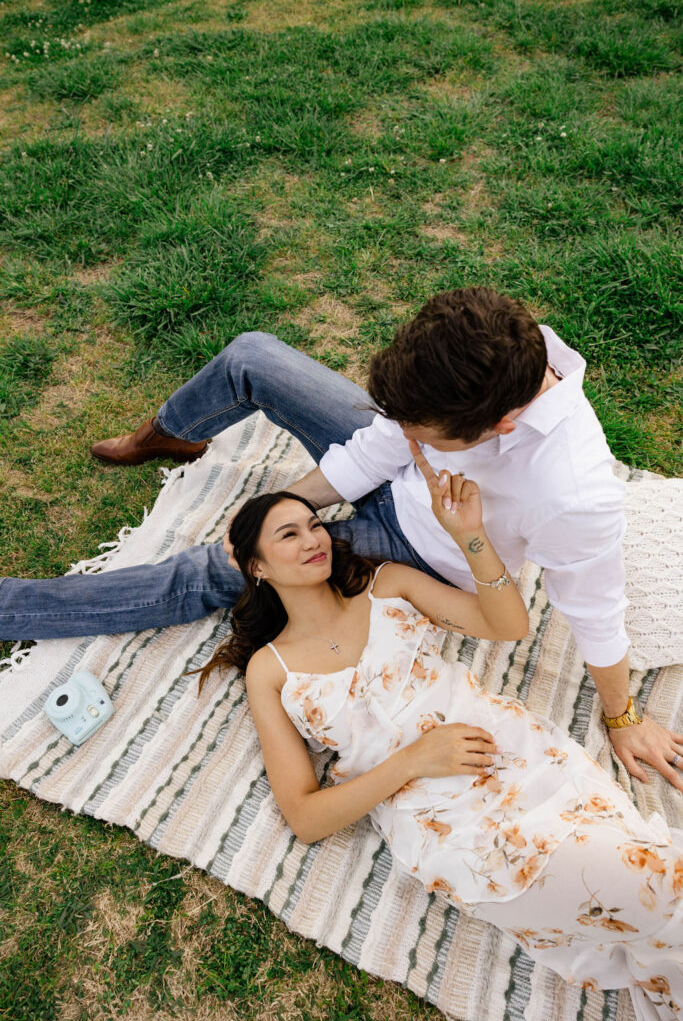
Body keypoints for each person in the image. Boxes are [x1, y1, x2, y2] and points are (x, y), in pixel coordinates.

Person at [1, 288, 681, 792]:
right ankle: (173, 431)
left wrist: (621, 717)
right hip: (393, 487)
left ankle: (13, 609)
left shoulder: (570, 493)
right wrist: (292, 505)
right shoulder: (501, 347)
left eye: (423, 433)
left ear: (500, 426)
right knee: (253, 357)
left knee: (221, 565)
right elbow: (381, 440)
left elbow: (595, 610)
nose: (405, 434)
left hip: (417, 548)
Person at [194, 471, 682, 1021]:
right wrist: (413, 760)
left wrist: (470, 534)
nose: (313, 539)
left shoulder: (387, 585)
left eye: (314, 524)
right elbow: (304, 816)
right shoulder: (269, 670)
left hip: (515, 756)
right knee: (649, 885)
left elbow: (507, 625)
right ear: (256, 566)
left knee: (648, 879)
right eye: (289, 534)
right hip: (442, 822)